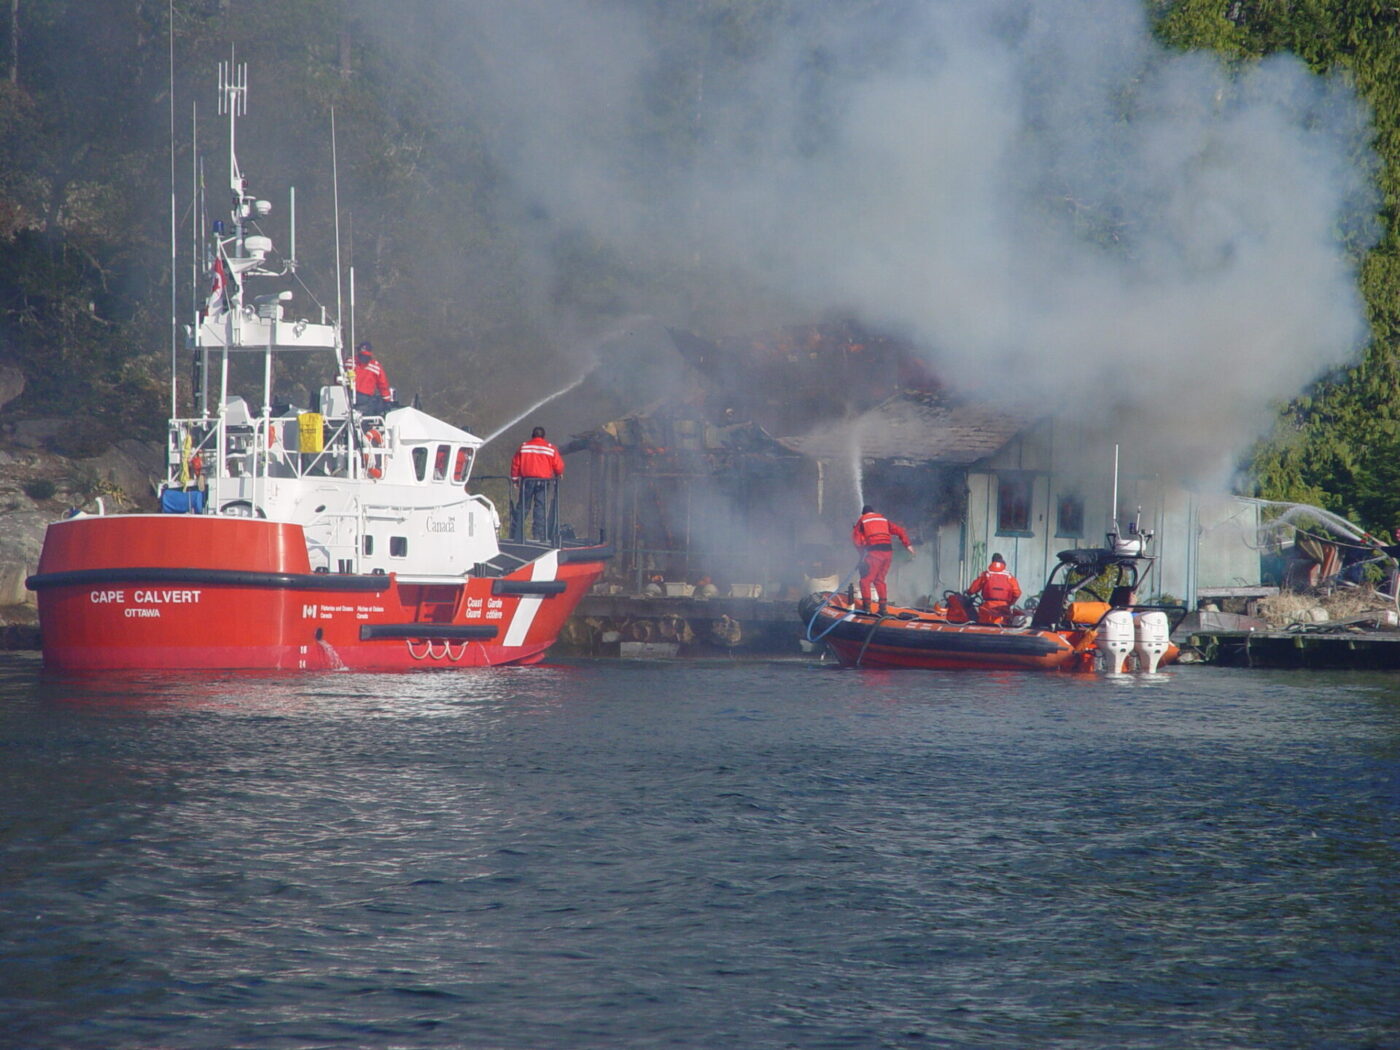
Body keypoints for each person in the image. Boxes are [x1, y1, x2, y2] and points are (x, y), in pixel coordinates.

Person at [851, 504, 915, 615]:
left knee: (865, 580)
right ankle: (883, 609)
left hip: (875, 554)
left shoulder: (862, 520)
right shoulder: (883, 519)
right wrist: (908, 545)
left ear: (863, 513)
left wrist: (862, 556)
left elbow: (856, 541)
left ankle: (866, 609)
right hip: (888, 553)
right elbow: (900, 530)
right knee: (879, 580)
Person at [510, 425, 565, 542]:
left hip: (527, 481)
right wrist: (559, 473)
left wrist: (515, 480)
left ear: (532, 435)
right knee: (540, 507)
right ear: (544, 437)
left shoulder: (524, 447)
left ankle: (516, 534)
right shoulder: (550, 448)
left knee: (523, 506)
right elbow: (558, 465)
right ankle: (538, 535)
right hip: (543, 483)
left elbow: (515, 464)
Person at [967, 552, 1022, 625]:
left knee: (983, 626)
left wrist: (969, 593)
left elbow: (973, 589)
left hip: (988, 607)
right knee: (1004, 626)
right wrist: (1010, 603)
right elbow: (1017, 593)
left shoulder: (986, 575)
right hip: (1004, 608)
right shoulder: (1009, 577)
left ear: (992, 562)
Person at [352, 340, 391, 417]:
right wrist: (387, 400)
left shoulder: (349, 362)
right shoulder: (376, 366)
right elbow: (383, 384)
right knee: (367, 419)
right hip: (365, 399)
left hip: (347, 397)